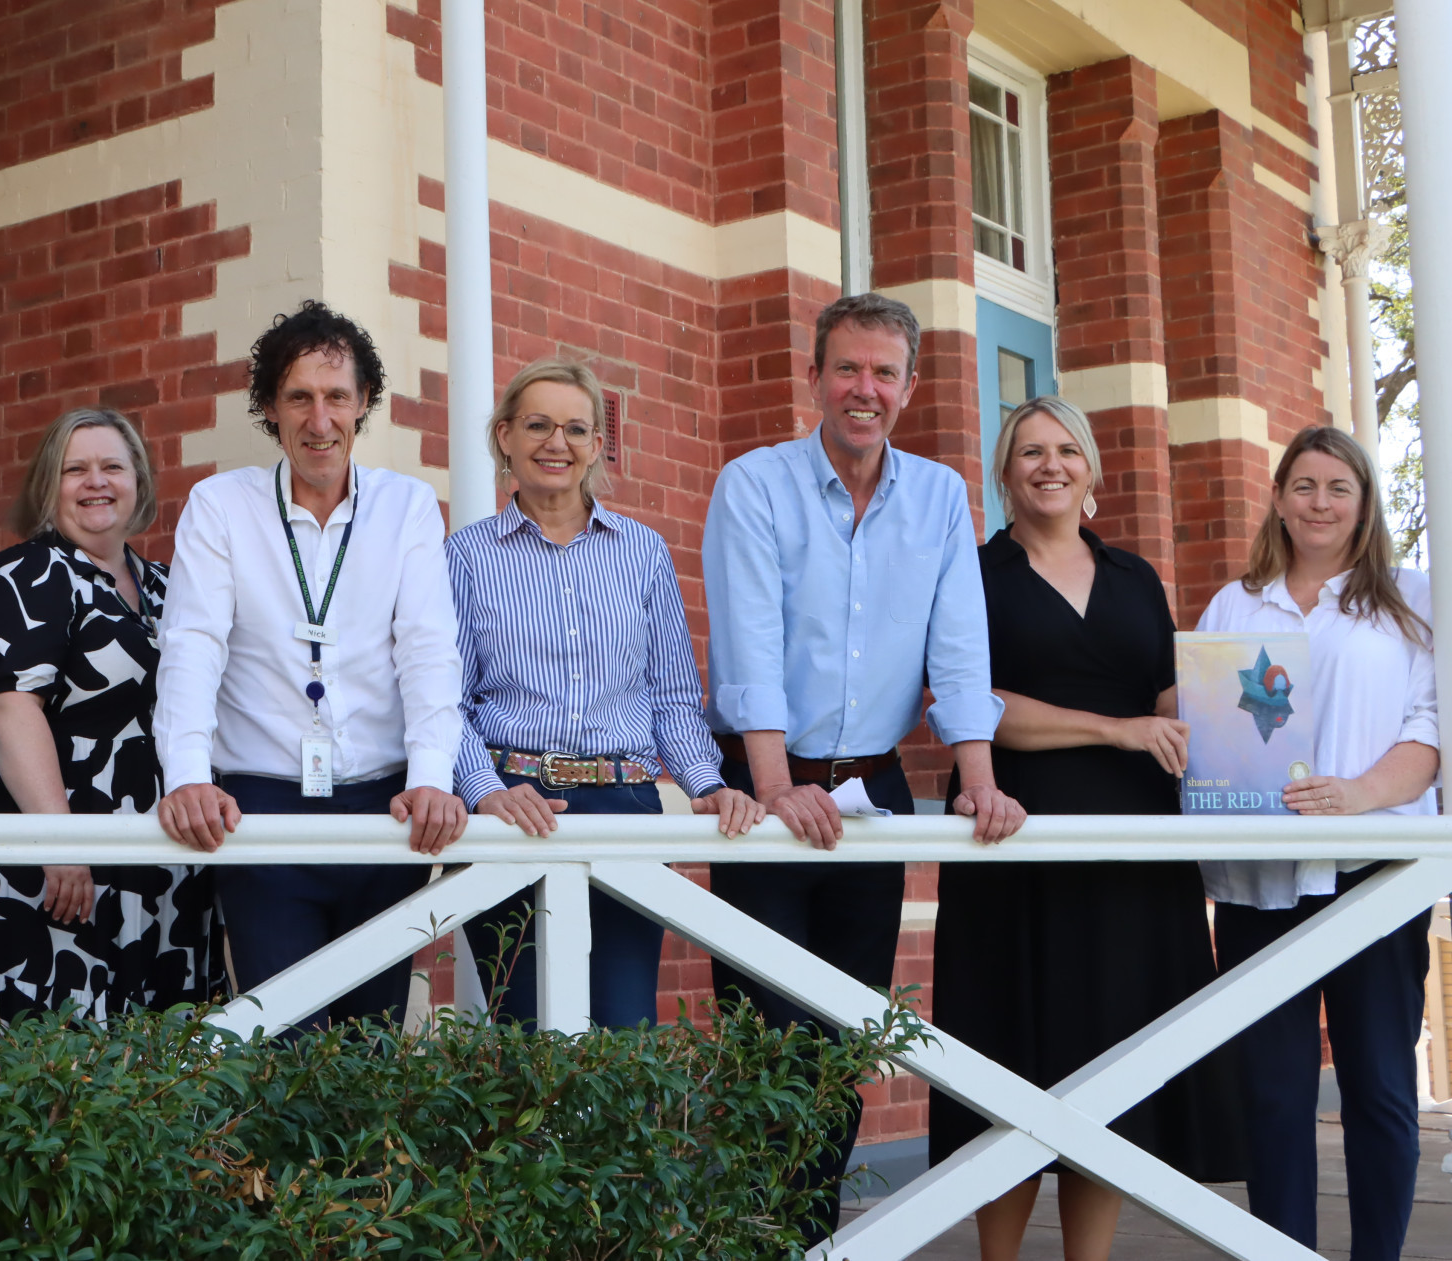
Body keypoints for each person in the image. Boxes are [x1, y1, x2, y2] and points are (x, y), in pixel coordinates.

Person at [700, 290, 1023, 1241]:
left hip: (872, 788)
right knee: (764, 1028)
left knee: (844, 1033)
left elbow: (960, 648)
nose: (864, 389)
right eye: (847, 368)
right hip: (767, 779)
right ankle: (759, 1232)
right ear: (815, 377)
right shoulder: (753, 483)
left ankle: (817, 1229)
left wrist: (979, 774)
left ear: (911, 387)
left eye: (884, 372)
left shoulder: (937, 498)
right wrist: (771, 787)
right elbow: (748, 640)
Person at [928, 397, 1243, 1261]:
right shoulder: (972, 573)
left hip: (1133, 852)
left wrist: (1227, 737)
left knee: (1113, 1063)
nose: (1050, 464)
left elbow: (1169, 695)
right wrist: (1118, 728)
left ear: (1093, 471)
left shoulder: (1137, 577)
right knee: (1012, 1055)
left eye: (1067, 450)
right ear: (1003, 473)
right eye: (1030, 451)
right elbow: (972, 704)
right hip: (1015, 839)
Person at [154, 301, 466, 1032]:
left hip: (388, 813)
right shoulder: (219, 506)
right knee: (281, 1041)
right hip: (261, 810)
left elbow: (427, 650)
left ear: (363, 405)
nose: (319, 419)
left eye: (336, 396)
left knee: (372, 1042)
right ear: (270, 407)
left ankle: (356, 1156)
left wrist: (430, 778)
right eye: (299, 396)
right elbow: (193, 644)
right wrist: (188, 775)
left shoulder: (408, 507)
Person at [447, 357, 761, 1028]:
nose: (555, 443)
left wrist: (708, 785)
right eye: (536, 424)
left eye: (574, 428)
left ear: (596, 445)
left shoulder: (642, 551)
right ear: (504, 435)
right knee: (529, 1042)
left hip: (626, 808)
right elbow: (448, 699)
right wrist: (485, 790)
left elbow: (673, 697)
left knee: (624, 1032)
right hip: (513, 808)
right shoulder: (466, 554)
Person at [1202, 425, 1438, 1261]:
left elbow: (1429, 733)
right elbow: (1216, 738)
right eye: (1304, 485)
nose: (1320, 502)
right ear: (1277, 497)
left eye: (1339, 486)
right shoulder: (1235, 604)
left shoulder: (1411, 599)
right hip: (1258, 883)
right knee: (1273, 1091)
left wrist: (1359, 796)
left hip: (1373, 873)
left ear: (1365, 501)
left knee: (1378, 1085)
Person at [0, 407, 221, 1022]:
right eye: (75, 469)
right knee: (45, 1063)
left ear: (138, 479)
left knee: (153, 1067)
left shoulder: (169, 586)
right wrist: (59, 841)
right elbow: (9, 709)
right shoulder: (26, 574)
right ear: (47, 486)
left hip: (152, 862)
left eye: (113, 466)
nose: (97, 482)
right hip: (46, 859)